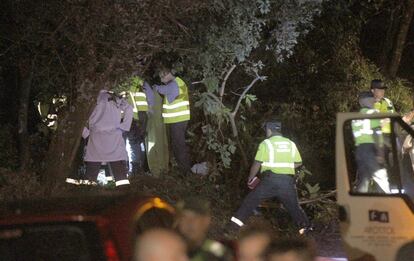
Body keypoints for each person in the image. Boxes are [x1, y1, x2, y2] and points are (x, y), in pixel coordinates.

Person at [227, 120, 311, 235]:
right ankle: (307, 230)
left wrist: (250, 178)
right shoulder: (291, 143)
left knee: (250, 201)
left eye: (266, 129)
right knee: (294, 208)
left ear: (269, 130)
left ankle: (233, 227)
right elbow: (298, 162)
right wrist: (284, 166)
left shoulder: (266, 143)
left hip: (270, 181)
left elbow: (257, 163)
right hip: (287, 182)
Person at [81, 90, 133, 186]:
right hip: (114, 136)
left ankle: (87, 194)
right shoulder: (115, 97)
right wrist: (123, 127)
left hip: (95, 137)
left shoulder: (91, 97)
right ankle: (124, 194)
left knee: (92, 170)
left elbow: (79, 118)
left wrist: (86, 134)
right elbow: (129, 108)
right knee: (119, 172)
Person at [154, 66, 192, 173]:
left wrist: (155, 87)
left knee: (178, 146)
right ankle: (184, 170)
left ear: (166, 75)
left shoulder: (172, 85)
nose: (162, 81)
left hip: (177, 119)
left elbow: (162, 89)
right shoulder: (179, 82)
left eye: (162, 78)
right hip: (181, 119)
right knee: (179, 145)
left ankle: (185, 172)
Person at [352, 91, 390, 193]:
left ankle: (359, 206)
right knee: (383, 178)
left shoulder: (355, 118)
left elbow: (364, 131)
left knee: (363, 181)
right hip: (371, 150)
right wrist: (380, 153)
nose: (374, 101)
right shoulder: (374, 113)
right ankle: (396, 204)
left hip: (360, 151)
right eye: (373, 99)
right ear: (368, 100)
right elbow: (375, 133)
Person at [175, 196, 233, 261]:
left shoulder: (218, 254)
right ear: (177, 220)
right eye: (184, 217)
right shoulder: (167, 245)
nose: (189, 223)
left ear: (206, 221)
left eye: (195, 217)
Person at [123, 75, 154, 175]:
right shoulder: (140, 81)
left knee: (127, 143)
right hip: (138, 115)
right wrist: (150, 107)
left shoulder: (122, 82)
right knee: (136, 143)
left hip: (128, 117)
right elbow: (150, 95)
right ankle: (137, 169)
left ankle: (126, 169)